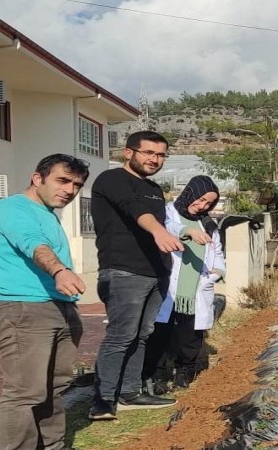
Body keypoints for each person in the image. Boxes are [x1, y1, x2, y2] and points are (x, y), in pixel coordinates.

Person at [0, 154, 89, 450]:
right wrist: (59, 270)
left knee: (55, 389)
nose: (70, 190)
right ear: (37, 178)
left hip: (59, 307)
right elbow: (32, 243)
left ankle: (53, 446)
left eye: (77, 185)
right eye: (62, 180)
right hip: (24, 310)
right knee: (24, 393)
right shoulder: (12, 209)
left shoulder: (47, 213)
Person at [88, 131, 184, 420]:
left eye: (161, 155)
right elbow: (134, 210)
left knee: (142, 335)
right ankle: (103, 399)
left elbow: (160, 219)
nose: (155, 159)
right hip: (123, 270)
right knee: (121, 335)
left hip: (155, 273)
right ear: (128, 153)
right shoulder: (112, 180)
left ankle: (130, 391)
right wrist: (158, 231)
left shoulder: (154, 188)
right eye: (148, 153)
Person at [143, 175, 226, 394]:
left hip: (195, 287)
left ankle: (184, 371)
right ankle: (156, 375)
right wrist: (187, 231)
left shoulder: (208, 224)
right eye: (200, 200)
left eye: (208, 204)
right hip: (169, 284)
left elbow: (217, 252)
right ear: (190, 192)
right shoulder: (168, 212)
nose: (202, 206)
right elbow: (167, 227)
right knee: (160, 332)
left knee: (190, 335)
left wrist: (217, 272)